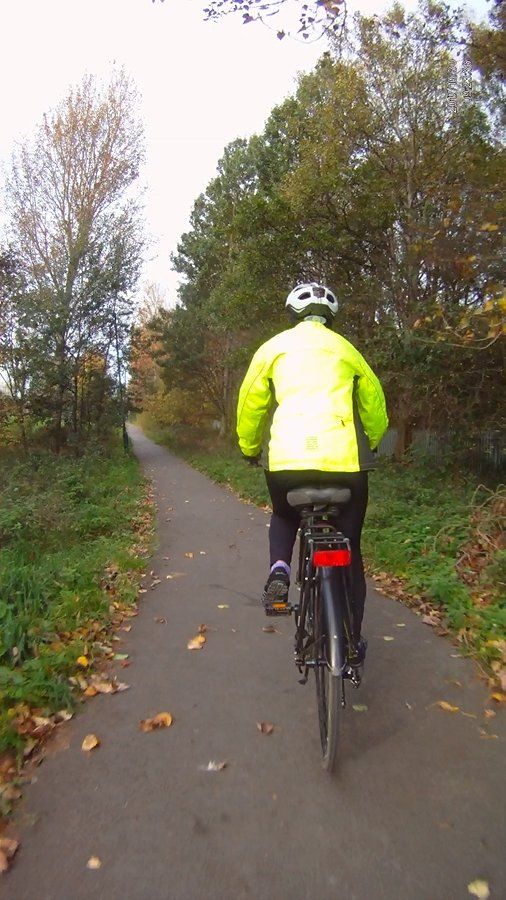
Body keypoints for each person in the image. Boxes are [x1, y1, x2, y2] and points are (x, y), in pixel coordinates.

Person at [236, 282, 388, 656]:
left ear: (292, 315)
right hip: (344, 466)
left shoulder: (272, 349)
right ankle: (351, 640)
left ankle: (279, 570)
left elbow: (250, 405)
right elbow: (375, 401)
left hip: (288, 463)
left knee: (284, 513)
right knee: (350, 546)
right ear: (330, 319)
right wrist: (373, 437)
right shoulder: (346, 350)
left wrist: (249, 447)